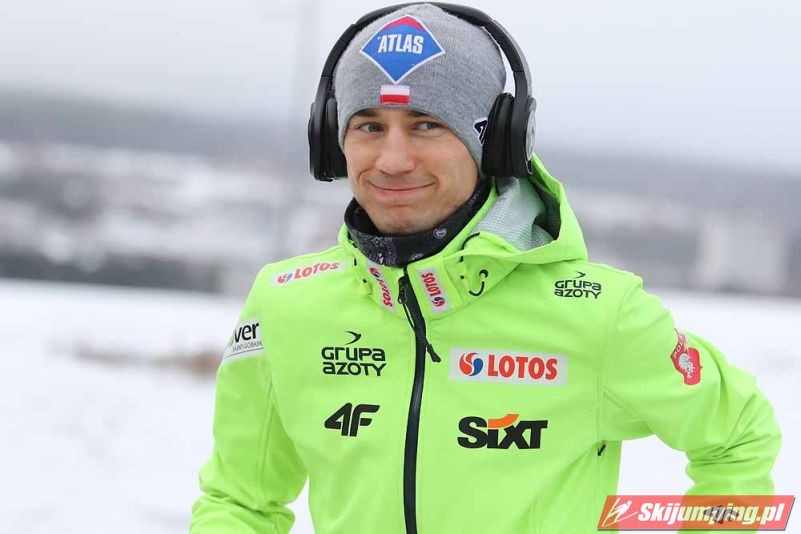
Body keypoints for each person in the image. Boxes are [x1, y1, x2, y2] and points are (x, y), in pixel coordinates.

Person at [189, 3, 781, 533]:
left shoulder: (601, 316)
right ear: (331, 139)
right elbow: (239, 501)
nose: (393, 159)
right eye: (369, 126)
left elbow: (739, 436)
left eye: (427, 124)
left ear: (495, 141)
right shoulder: (285, 304)